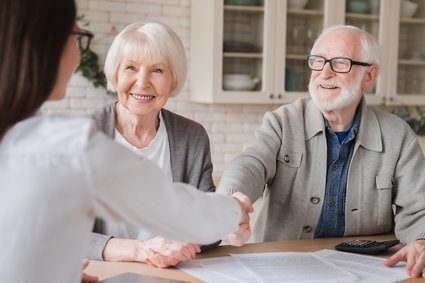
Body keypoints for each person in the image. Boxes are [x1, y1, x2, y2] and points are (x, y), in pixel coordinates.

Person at [0, 0, 252, 282]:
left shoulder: (29, 139)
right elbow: (173, 208)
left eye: (157, 70)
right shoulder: (69, 145)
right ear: (44, 48)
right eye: (76, 36)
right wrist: (234, 210)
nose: (78, 53)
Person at [217, 25, 425, 278]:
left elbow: (418, 208)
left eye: (340, 63)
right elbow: (251, 163)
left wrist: (422, 241)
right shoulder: (282, 121)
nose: (324, 73)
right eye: (318, 62)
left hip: (367, 271)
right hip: (284, 268)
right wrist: (229, 201)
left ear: (369, 77)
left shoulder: (398, 135)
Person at [86, 22, 248, 269]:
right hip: (103, 272)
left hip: (173, 272)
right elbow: (60, 235)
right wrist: (143, 250)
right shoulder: (83, 137)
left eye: (157, 70)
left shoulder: (192, 136)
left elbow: (204, 228)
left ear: (173, 80)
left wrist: (226, 221)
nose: (142, 83)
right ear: (116, 74)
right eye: (131, 67)